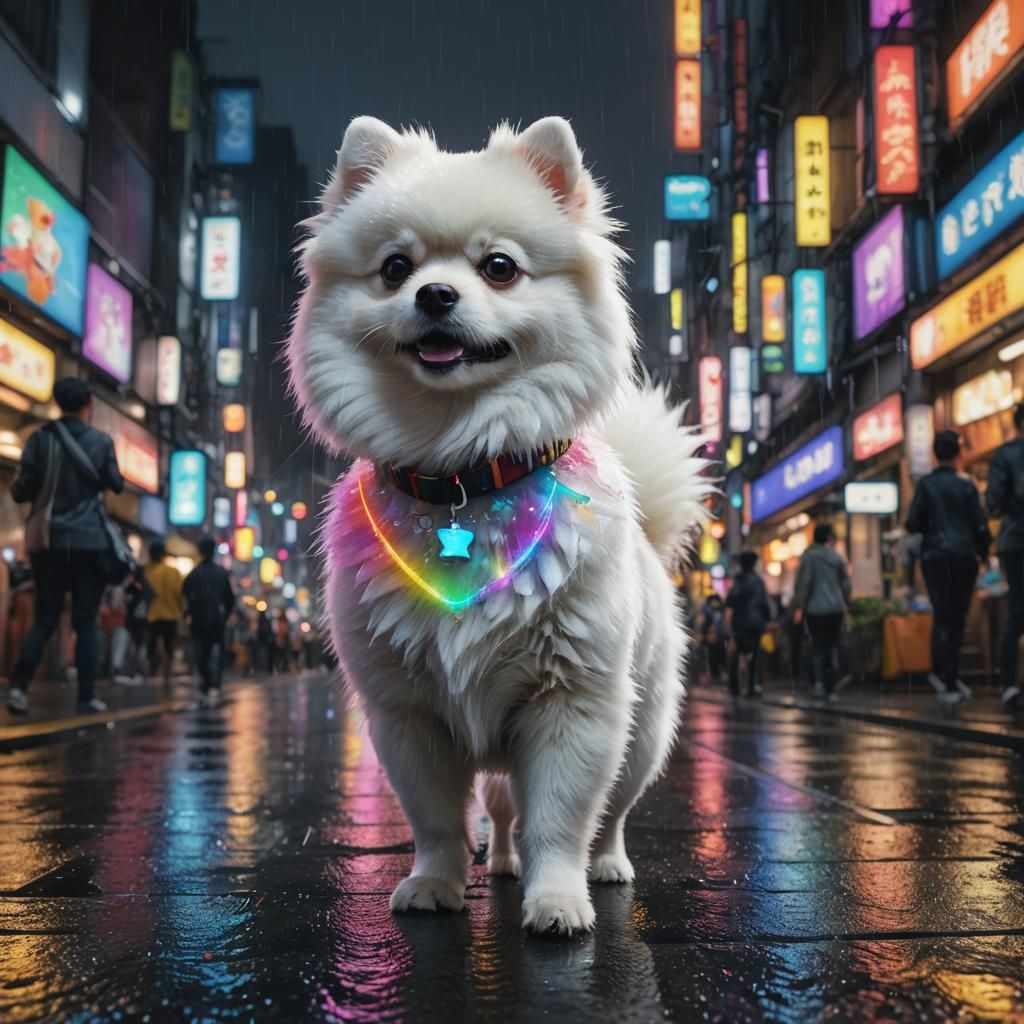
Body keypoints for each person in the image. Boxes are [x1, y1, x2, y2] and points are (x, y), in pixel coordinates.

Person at [5, 378, 124, 715]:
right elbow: (115, 484)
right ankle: (87, 697)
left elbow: (22, 489)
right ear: (88, 404)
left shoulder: (40, 439)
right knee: (86, 622)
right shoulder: (101, 441)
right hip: (89, 543)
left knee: (44, 617)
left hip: (50, 541)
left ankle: (18, 689)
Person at [907, 429, 990, 704]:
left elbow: (913, 522)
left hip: (934, 557)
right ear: (958, 453)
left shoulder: (926, 485)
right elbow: (980, 524)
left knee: (942, 614)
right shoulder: (967, 484)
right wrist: (984, 552)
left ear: (935, 453)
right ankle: (950, 677)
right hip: (964, 555)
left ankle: (942, 675)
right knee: (957, 617)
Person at [985, 403, 1024, 708]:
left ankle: (1009, 684)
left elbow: (994, 501)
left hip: (1016, 539)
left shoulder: (1005, 455)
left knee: (1016, 610)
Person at [792, 523, 851, 700]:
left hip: (815, 609)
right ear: (829, 538)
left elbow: (804, 584)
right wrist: (846, 603)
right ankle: (831, 687)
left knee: (817, 645)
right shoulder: (837, 558)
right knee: (832, 645)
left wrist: (799, 607)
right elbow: (846, 585)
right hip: (836, 609)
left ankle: (818, 683)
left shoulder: (809, 557)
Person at [182, 537, 236, 706]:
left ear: (200, 552)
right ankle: (215, 684)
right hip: (216, 620)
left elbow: (184, 595)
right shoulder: (221, 573)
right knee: (217, 652)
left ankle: (205, 683)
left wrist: (188, 614)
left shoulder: (193, 573)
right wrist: (225, 615)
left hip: (198, 620)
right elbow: (230, 599)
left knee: (201, 652)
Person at [725, 551, 773, 697]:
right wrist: (768, 620)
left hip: (738, 625)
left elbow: (729, 609)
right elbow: (764, 605)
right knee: (754, 657)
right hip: (755, 625)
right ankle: (752, 687)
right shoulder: (758, 582)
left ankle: (735, 689)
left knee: (735, 656)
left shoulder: (737, 583)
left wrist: (729, 631)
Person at [144, 541, 184, 687]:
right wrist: (182, 612)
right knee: (169, 646)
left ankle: (152, 671)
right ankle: (167, 672)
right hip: (171, 615)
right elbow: (180, 594)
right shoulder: (173, 572)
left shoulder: (146, 571)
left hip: (151, 616)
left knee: (151, 644)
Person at [699, 593, 727, 686]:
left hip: (718, 637)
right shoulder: (710, 610)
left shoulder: (709, 610)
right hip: (714, 638)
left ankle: (716, 675)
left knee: (717, 656)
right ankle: (715, 675)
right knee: (714, 657)